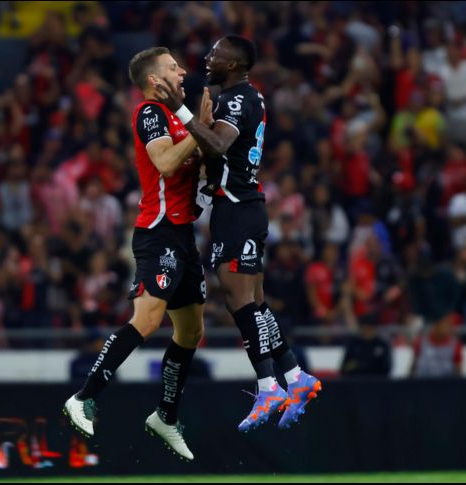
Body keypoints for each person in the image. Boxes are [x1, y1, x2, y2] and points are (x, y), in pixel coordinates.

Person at [155, 35, 322, 432]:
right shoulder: (249, 96)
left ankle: (268, 385)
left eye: (216, 54)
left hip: (237, 208)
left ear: (234, 64)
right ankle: (295, 377)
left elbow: (216, 146)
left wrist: (177, 108)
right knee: (256, 303)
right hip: (244, 207)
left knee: (239, 300)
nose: (208, 58)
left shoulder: (235, 100)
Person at [63, 47, 212, 461]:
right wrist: (197, 127)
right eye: (172, 67)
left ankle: (165, 416)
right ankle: (84, 397)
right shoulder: (150, 113)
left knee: (190, 332)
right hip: (158, 231)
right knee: (146, 321)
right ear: (154, 80)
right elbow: (165, 162)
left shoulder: (176, 116)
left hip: (183, 236)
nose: (182, 71)